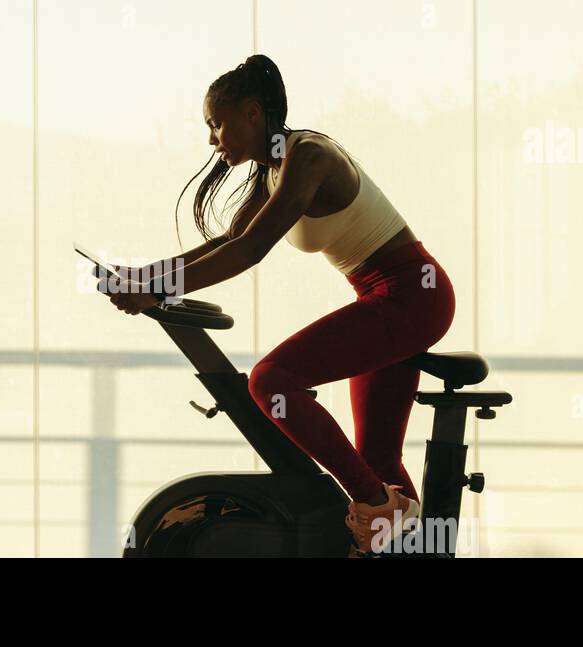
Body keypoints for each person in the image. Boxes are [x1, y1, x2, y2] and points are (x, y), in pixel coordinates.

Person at [106, 54, 456, 555]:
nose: (211, 139)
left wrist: (160, 288)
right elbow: (231, 239)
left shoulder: (308, 157)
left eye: (216, 124)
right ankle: (410, 538)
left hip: (411, 296)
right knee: (376, 459)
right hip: (387, 297)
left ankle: (379, 507)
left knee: (271, 380)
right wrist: (147, 276)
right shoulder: (272, 170)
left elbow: (249, 252)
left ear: (252, 114)